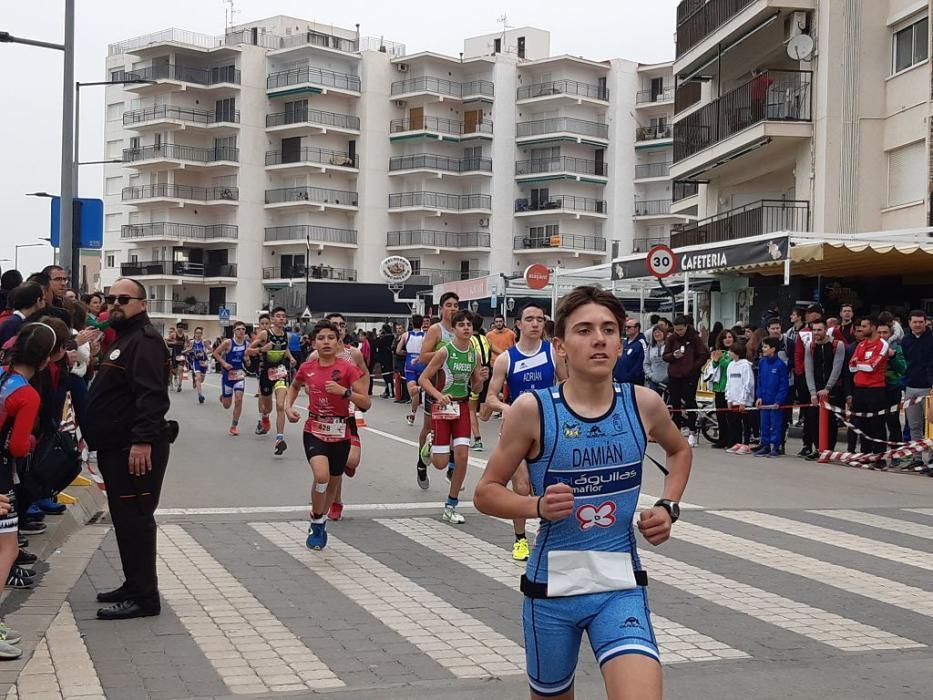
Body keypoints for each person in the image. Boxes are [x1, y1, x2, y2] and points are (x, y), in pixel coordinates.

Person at [474, 285, 691, 700]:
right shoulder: (533, 410)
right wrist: (535, 505)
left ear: (620, 341)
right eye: (585, 330)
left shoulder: (643, 404)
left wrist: (668, 505)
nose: (599, 340)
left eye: (609, 330)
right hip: (552, 594)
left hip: (619, 588)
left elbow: (679, 451)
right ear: (560, 345)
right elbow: (486, 493)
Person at [82, 279, 171, 620]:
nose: (114, 303)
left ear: (142, 304)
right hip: (115, 447)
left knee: (136, 519)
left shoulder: (145, 342)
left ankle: (146, 597)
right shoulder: (125, 339)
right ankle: (134, 584)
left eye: (123, 299)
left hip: (133, 449)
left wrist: (142, 440)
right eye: (110, 298)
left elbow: (151, 396)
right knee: (124, 519)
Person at [481, 302, 564, 561]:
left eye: (540, 319)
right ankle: (519, 540)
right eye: (530, 319)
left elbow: (566, 384)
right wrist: (508, 408)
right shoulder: (507, 358)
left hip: (547, 427)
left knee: (544, 485)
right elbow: (490, 398)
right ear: (519, 324)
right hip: (516, 429)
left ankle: (545, 534)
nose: (536, 324)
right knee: (521, 485)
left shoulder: (553, 353)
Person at [286, 320, 370, 550]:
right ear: (314, 343)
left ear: (338, 341)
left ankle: (321, 520)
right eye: (321, 338)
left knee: (333, 483)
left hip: (341, 431)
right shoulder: (308, 367)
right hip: (314, 429)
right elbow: (294, 385)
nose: (326, 342)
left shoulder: (348, 369)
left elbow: (366, 402)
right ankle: (315, 519)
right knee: (321, 476)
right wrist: (288, 406)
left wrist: (345, 392)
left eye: (330, 338)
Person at [0, 323, 53, 658]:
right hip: (2, 472)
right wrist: (31, 440)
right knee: (6, 547)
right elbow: (19, 447)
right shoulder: (27, 394)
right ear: (46, 359)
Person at [418, 310, 483, 524]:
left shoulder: (475, 354)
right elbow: (423, 379)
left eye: (469, 325)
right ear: (453, 329)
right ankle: (429, 446)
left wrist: (482, 379)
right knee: (439, 463)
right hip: (442, 407)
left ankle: (451, 504)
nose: (466, 328)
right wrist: (438, 395)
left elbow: (475, 386)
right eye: (461, 325)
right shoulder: (445, 352)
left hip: (462, 406)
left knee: (463, 455)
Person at [316, 312, 370, 521]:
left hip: (347, 415)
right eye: (333, 325)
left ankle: (347, 464)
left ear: (344, 330)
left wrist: (360, 397)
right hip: (325, 417)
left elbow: (364, 373)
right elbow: (306, 380)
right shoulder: (317, 356)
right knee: (331, 467)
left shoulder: (353, 354)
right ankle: (336, 502)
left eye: (340, 325)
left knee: (352, 461)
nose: (337, 328)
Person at [414, 292, 461, 490]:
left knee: (456, 432)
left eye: (456, 305)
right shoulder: (436, 329)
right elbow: (424, 356)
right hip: (436, 386)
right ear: (441, 309)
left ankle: (452, 468)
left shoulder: (462, 329)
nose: (453, 309)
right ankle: (421, 463)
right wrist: (446, 353)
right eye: (448, 305)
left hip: (457, 389)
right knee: (429, 428)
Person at [249, 307, 295, 455]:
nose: (281, 318)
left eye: (283, 316)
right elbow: (248, 351)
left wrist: (291, 357)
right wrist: (262, 350)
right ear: (273, 319)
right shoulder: (265, 334)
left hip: (280, 372)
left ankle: (279, 439)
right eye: (278, 316)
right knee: (267, 408)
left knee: (281, 405)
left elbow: (285, 348)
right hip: (265, 374)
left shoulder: (286, 335)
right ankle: (265, 417)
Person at [662, 314, 709, 446]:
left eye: (681, 329)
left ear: (686, 327)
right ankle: (676, 430)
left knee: (690, 401)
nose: (679, 332)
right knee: (675, 402)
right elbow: (665, 356)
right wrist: (673, 355)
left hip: (690, 375)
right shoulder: (671, 339)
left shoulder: (695, 339)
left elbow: (703, 355)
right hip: (674, 375)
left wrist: (693, 367)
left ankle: (692, 431)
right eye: (676, 330)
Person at [803, 320, 846, 460]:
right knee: (813, 420)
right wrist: (812, 393)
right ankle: (818, 448)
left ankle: (829, 450)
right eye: (814, 330)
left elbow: (837, 368)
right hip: (815, 389)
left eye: (819, 330)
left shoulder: (837, 345)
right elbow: (808, 370)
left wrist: (828, 388)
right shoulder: (810, 346)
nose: (816, 333)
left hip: (833, 390)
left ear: (826, 330)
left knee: (831, 422)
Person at [848, 316, 889, 457]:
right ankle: (865, 453)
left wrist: (859, 363)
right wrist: (861, 363)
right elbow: (851, 366)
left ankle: (879, 455)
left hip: (875, 389)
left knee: (877, 423)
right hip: (859, 388)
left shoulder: (882, 344)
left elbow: (873, 366)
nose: (861, 329)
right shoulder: (861, 345)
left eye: (864, 326)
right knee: (861, 422)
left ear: (873, 327)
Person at [902, 310, 933, 474]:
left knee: (932, 425)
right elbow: (905, 361)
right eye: (915, 322)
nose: (918, 324)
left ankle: (932, 458)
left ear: (926, 322)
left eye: (921, 321)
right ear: (909, 323)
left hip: (929, 388)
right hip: (911, 387)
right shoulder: (906, 340)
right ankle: (917, 458)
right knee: (914, 425)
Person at [877, 320, 907, 468]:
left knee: (893, 423)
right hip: (876, 389)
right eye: (879, 332)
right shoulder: (871, 346)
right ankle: (879, 456)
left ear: (890, 334)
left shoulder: (896, 347)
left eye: (885, 333)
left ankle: (896, 455)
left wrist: (893, 356)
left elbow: (903, 369)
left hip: (892, 388)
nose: (882, 335)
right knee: (877, 424)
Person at [213, 321, 249, 435]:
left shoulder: (247, 344)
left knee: (238, 399)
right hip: (228, 376)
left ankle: (234, 426)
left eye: (243, 329)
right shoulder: (228, 342)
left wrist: (248, 361)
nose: (241, 331)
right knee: (226, 405)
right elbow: (216, 353)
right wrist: (224, 363)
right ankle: (223, 397)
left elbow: (247, 359)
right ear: (234, 331)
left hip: (239, 375)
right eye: (238, 329)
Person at [754, 337, 789, 457]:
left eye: (765, 347)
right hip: (764, 400)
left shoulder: (780, 365)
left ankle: (776, 446)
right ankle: (765, 445)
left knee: (775, 424)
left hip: (775, 402)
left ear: (773, 349)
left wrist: (779, 400)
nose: (763, 349)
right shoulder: (762, 362)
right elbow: (759, 380)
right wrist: (759, 396)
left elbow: (784, 385)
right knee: (764, 424)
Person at [724, 341, 755, 454]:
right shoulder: (730, 365)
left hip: (744, 401)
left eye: (731, 351)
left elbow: (748, 383)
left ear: (737, 353)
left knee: (745, 423)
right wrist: (729, 398)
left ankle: (746, 444)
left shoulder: (746, 366)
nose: (729, 353)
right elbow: (729, 382)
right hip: (733, 399)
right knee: (735, 423)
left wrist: (744, 401)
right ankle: (737, 443)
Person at [709, 329, 737, 448]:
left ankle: (731, 440)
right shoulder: (720, 352)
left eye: (730, 337)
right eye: (725, 337)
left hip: (729, 388)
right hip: (718, 387)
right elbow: (714, 366)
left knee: (729, 417)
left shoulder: (734, 353)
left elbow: (728, 365)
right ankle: (722, 439)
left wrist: (719, 359)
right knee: (720, 415)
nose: (727, 339)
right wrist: (716, 360)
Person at [397, 315, 427, 425]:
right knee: (422, 387)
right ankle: (422, 389)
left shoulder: (406, 335)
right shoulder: (426, 336)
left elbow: (398, 350)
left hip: (410, 364)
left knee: (413, 392)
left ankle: (413, 414)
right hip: (422, 363)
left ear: (412, 323)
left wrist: (407, 354)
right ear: (422, 323)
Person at [468, 313, 492, 451]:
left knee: (471, 409)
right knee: (481, 410)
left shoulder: (470, 340)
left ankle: (477, 439)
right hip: (487, 372)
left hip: (475, 375)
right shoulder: (484, 338)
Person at [0, 283, 45, 349]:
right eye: (43, 299)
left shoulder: (12, 322)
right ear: (38, 301)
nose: (45, 303)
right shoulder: (13, 324)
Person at [612, 319, 646, 385]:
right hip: (617, 381)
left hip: (633, 383)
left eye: (629, 327)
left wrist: (629, 377)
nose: (626, 329)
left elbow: (642, 363)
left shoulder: (641, 343)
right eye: (625, 327)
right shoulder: (624, 342)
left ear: (637, 328)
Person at [186, 327, 210, 404]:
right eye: (197, 333)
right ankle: (200, 395)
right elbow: (190, 349)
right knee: (198, 378)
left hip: (203, 362)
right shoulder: (192, 342)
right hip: (196, 361)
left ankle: (196, 383)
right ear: (195, 334)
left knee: (202, 379)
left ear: (201, 334)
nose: (198, 334)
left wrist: (207, 353)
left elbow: (210, 349)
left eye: (200, 333)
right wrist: (184, 351)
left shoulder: (204, 342)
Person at [643, 326, 668, 395]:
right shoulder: (650, 347)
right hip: (653, 380)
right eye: (655, 333)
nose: (657, 334)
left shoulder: (669, 346)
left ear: (664, 333)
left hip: (668, 380)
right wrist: (650, 375)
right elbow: (646, 363)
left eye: (659, 332)